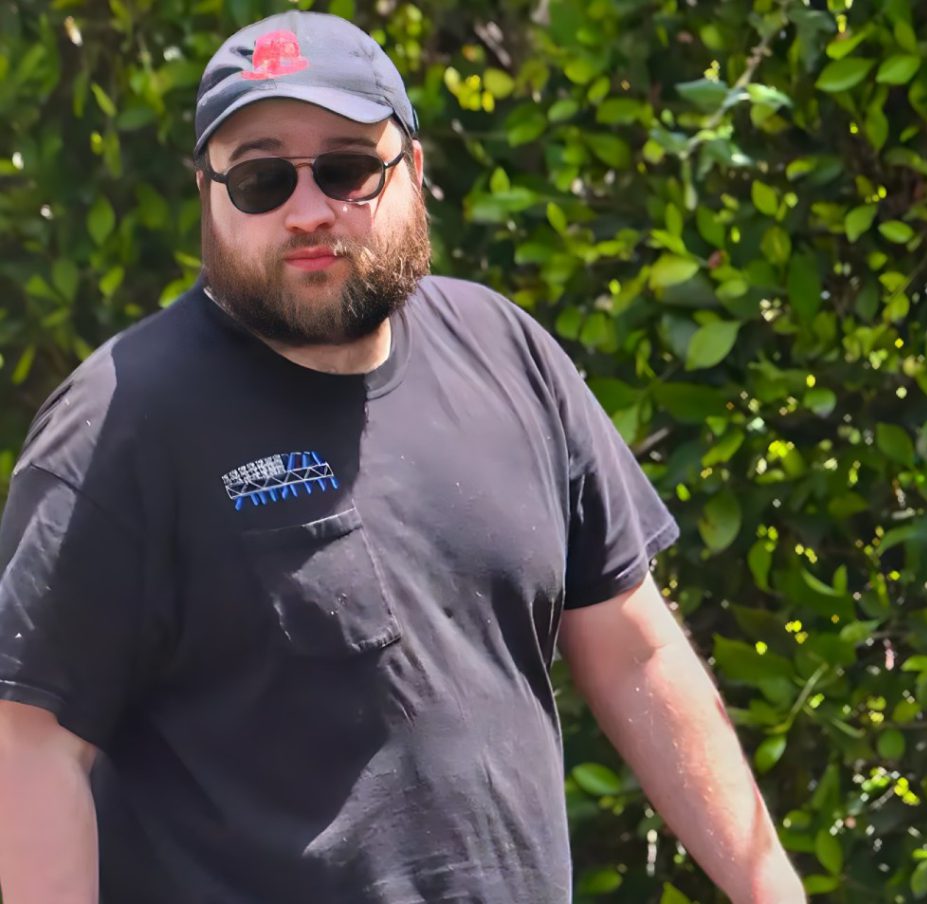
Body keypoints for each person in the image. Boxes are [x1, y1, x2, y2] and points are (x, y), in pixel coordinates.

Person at [0, 11, 805, 903]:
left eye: (346, 168)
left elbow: (634, 651)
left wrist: (769, 888)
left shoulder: (508, 353)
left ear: (413, 171)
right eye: (263, 179)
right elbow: (31, 747)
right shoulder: (120, 425)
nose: (308, 211)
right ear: (209, 194)